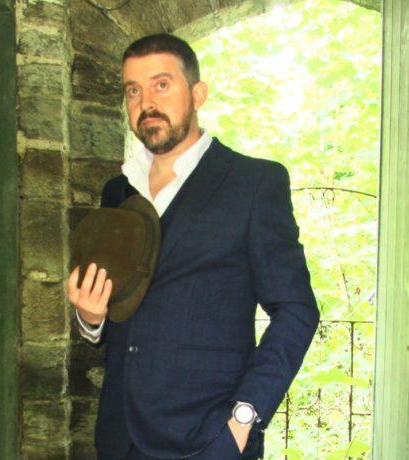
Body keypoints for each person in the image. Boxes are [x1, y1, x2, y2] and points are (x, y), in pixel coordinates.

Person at [66, 33, 319, 460]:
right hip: (119, 438)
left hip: (208, 440)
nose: (146, 101)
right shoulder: (118, 191)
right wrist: (91, 319)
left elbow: (297, 309)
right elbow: (120, 312)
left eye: (161, 84)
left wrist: (244, 417)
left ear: (197, 93)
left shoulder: (253, 184)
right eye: (133, 90)